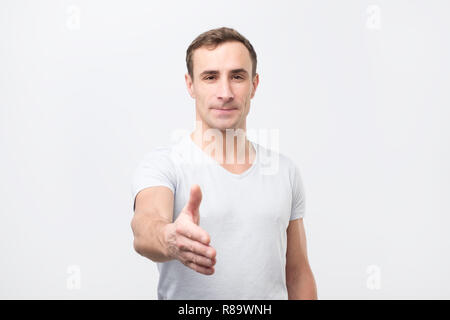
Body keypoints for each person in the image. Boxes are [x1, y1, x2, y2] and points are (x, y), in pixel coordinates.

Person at [130, 27, 318, 300]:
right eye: (210, 77)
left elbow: (298, 273)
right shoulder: (164, 165)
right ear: (190, 85)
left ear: (254, 85)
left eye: (237, 76)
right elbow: (145, 227)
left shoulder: (285, 171)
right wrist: (169, 239)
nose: (225, 92)